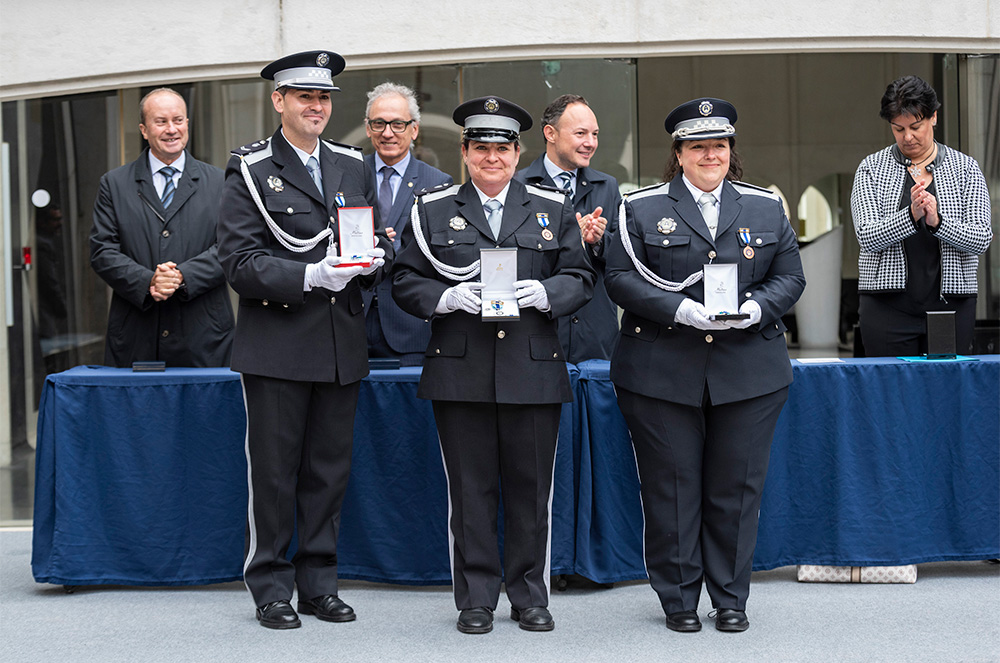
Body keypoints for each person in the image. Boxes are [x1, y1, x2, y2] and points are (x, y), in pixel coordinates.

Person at [392, 96, 595, 634]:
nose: (492, 158)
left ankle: (529, 595)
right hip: (461, 368)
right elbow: (405, 280)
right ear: (464, 152)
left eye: (502, 149)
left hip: (532, 367)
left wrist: (544, 292)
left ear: (518, 152)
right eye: (480, 148)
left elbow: (581, 278)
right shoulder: (432, 209)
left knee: (530, 490)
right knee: (470, 489)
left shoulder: (551, 209)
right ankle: (476, 597)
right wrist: (446, 299)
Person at [604, 98, 804, 633]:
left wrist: (758, 307)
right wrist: (680, 308)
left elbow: (791, 276)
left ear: (730, 150)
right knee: (672, 487)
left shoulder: (766, 206)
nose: (709, 155)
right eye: (697, 146)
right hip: (661, 370)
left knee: (736, 490)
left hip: (748, 371)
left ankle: (731, 598)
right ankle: (678, 599)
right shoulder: (640, 207)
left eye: (718, 145)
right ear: (679, 153)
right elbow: (620, 278)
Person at [215, 51, 391, 630]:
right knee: (273, 472)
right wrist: (311, 275)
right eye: (304, 97)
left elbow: (357, 240)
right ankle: (270, 586)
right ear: (279, 101)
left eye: (324, 98)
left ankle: (319, 584)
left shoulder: (350, 164)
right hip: (280, 346)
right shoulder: (250, 168)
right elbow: (239, 263)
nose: (316, 107)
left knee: (328, 472)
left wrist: (372, 262)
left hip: (341, 344)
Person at [90, 87, 233, 367]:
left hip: (204, 336)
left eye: (178, 120)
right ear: (144, 130)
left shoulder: (221, 182)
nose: (172, 129)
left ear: (187, 124)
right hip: (137, 334)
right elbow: (102, 251)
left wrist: (182, 276)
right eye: (161, 121)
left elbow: (233, 247)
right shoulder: (114, 184)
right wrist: (148, 281)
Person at [851, 75, 993, 356]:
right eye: (898, 128)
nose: (908, 137)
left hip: (951, 303)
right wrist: (910, 216)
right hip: (886, 305)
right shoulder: (871, 169)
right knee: (888, 389)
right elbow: (866, 236)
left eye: (916, 126)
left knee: (945, 390)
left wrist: (938, 222)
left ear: (934, 118)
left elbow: (981, 238)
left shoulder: (965, 168)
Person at [516, 94, 621, 362]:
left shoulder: (607, 186)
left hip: (595, 332)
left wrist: (597, 241)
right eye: (580, 133)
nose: (590, 143)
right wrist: (568, 236)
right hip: (541, 328)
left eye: (595, 134)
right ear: (550, 133)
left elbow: (624, 259)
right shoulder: (518, 186)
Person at [362, 82, 453, 365]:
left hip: (410, 327)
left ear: (414, 129)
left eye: (398, 124)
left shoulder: (438, 183)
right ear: (368, 128)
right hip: (352, 323)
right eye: (379, 123)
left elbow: (443, 256)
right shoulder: (348, 174)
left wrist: (393, 246)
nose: (387, 133)